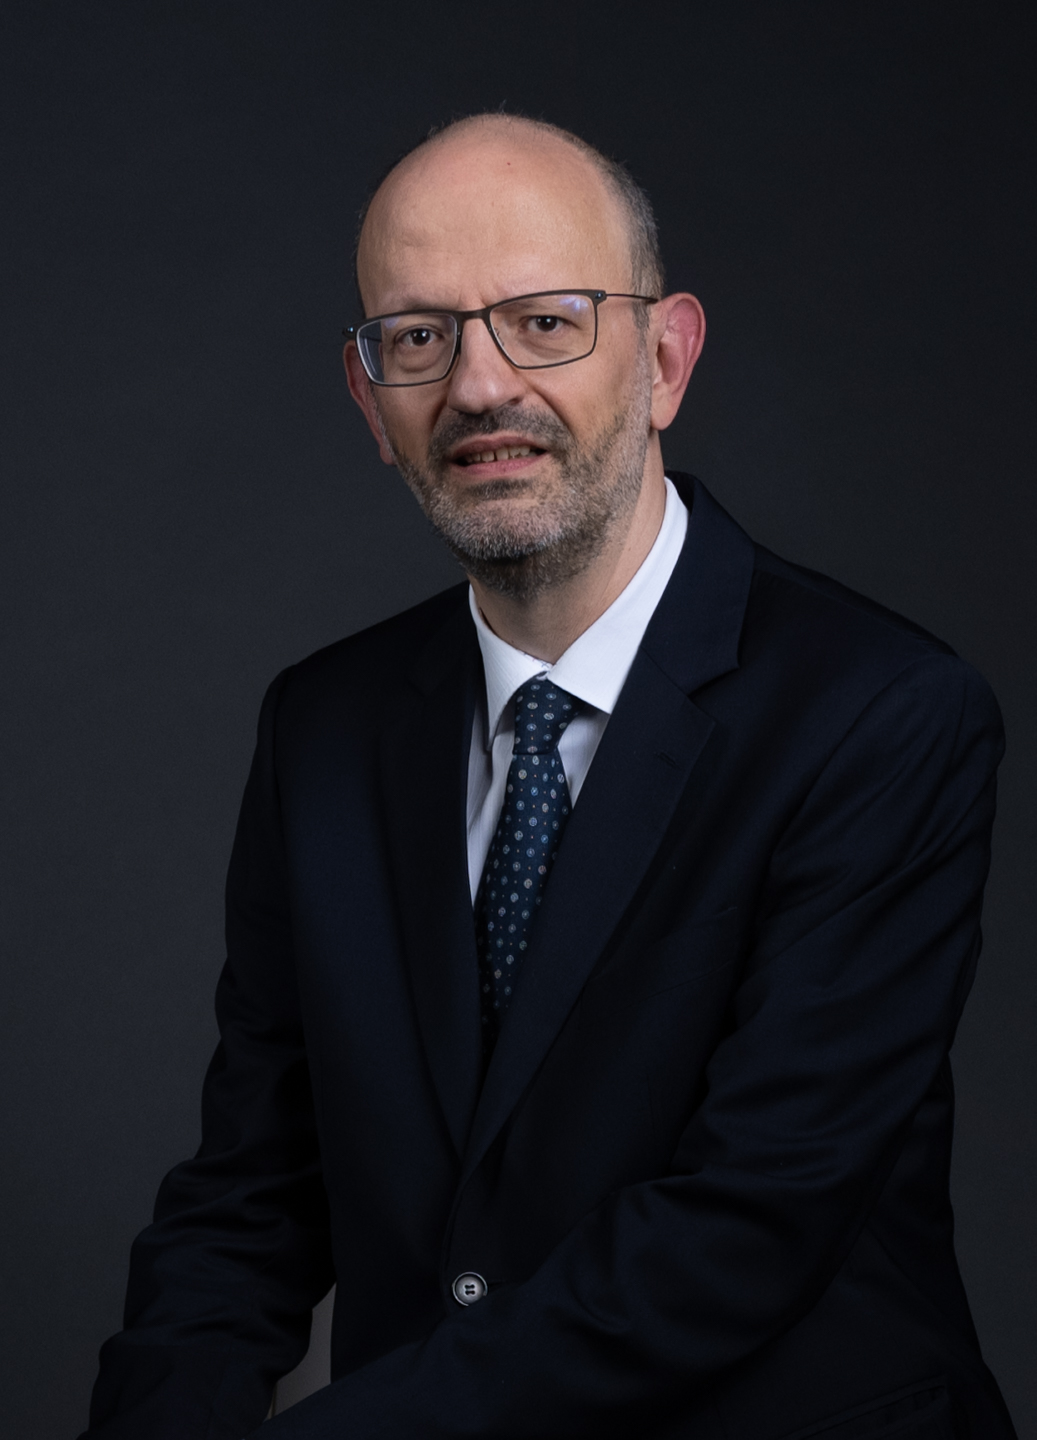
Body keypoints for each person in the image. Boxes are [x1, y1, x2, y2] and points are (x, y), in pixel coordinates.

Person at [82, 113, 1017, 1439]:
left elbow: (748, 1224)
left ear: (664, 360)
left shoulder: (879, 714)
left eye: (543, 322)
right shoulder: (323, 727)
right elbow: (250, 1194)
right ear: (369, 398)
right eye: (419, 337)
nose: (479, 387)